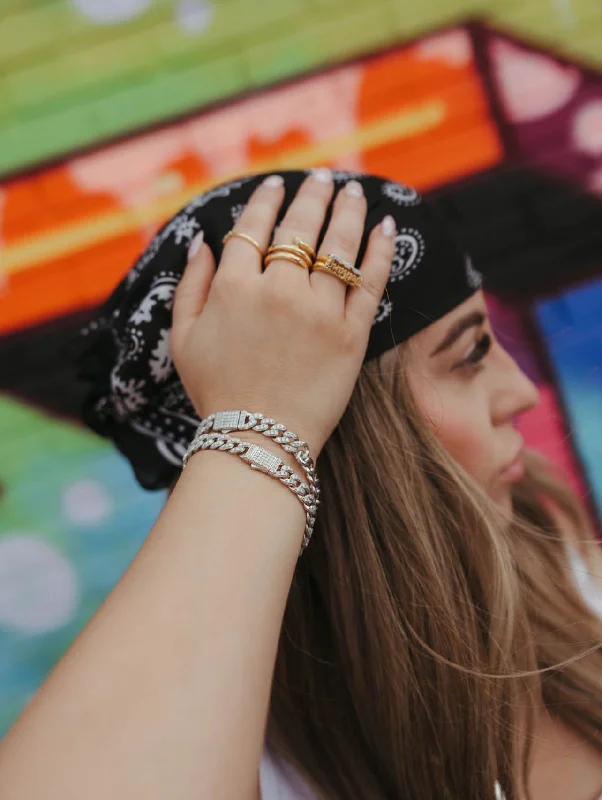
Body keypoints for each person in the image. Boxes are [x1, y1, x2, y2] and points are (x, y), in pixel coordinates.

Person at [0, 168, 601, 800]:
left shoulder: (552, 545)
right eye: (470, 355)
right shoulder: (248, 759)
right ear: (350, 438)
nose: (522, 392)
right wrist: (263, 425)